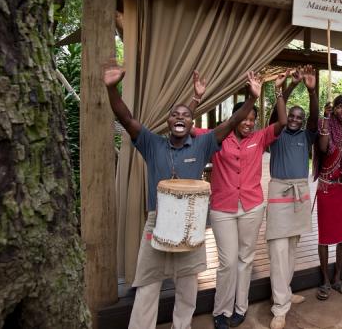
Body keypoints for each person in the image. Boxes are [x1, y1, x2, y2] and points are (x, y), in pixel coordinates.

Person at [103, 61, 260, 329]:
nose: (180, 117)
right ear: (168, 121)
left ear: (192, 123)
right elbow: (126, 118)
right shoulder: (152, 144)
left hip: (192, 225)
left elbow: (233, 120)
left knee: (187, 288)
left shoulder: (203, 144)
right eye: (175, 115)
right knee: (148, 286)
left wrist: (252, 97)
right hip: (157, 224)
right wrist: (112, 88)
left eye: (186, 115)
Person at [188, 70, 287, 329]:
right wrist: (196, 98)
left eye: (253, 119)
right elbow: (186, 126)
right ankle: (221, 310)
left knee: (245, 259)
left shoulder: (259, 137)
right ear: (235, 120)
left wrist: (278, 92)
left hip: (252, 207)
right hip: (223, 208)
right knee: (228, 261)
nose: (249, 123)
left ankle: (240, 307)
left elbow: (283, 123)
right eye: (245, 119)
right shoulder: (217, 138)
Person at [265, 66, 318, 329]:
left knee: (293, 248)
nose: (295, 119)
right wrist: (289, 87)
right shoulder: (278, 133)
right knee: (278, 250)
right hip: (279, 192)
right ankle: (279, 307)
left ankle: (284, 292)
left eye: (300, 116)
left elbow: (316, 118)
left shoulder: (307, 136)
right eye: (292, 115)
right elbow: (279, 114)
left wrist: (312, 91)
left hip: (300, 193)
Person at [315, 94, 342, 299]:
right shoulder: (325, 124)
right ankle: (324, 279)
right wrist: (324, 122)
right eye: (340, 107)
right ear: (334, 109)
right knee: (324, 237)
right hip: (326, 187)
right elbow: (324, 148)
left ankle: (337, 278)